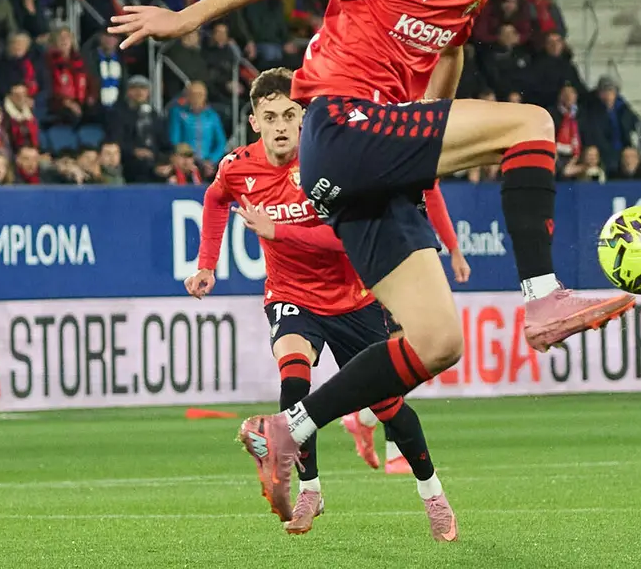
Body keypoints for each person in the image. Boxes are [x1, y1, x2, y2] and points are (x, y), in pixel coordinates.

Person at [111, 0, 635, 525]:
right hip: (338, 127)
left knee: (440, 340)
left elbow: (447, 60)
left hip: (376, 166)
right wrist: (182, 19)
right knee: (533, 123)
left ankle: (289, 429)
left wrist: (427, 140)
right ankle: (542, 298)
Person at [188, 69, 467, 538]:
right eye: (269, 115)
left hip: (353, 298)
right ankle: (310, 490)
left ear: (305, 120)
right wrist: (206, 263)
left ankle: (433, 494)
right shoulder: (237, 167)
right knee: (293, 374)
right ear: (254, 121)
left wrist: (279, 231)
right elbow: (216, 200)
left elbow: (344, 239)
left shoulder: (329, 166)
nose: (280, 125)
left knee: (390, 407)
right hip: (291, 295)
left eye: (290, 115)